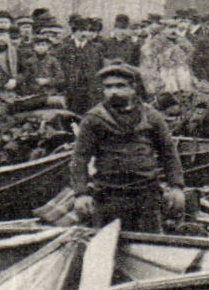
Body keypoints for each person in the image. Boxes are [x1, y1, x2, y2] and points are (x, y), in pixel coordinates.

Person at [70, 61, 185, 233]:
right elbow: (79, 158)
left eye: (120, 86)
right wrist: (81, 193)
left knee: (150, 245)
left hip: (146, 194)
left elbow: (168, 153)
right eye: (108, 87)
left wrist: (176, 186)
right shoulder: (94, 119)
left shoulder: (151, 117)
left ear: (133, 88)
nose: (113, 92)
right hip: (109, 195)